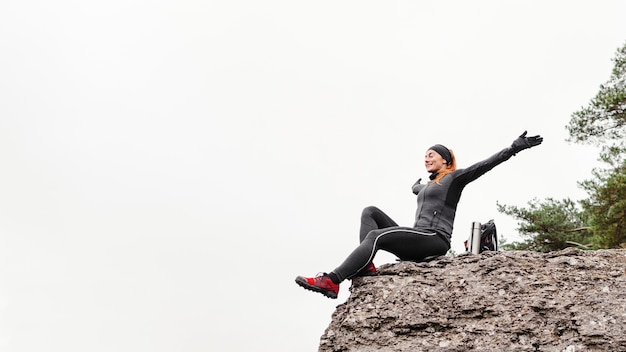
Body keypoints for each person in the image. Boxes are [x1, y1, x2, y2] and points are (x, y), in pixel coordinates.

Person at [295, 131, 543, 299]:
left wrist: (513, 149)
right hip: (416, 240)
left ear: (445, 160)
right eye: (424, 156)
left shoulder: (454, 178)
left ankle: (332, 280)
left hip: (433, 238)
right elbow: (419, 190)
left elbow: (484, 165)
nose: (426, 159)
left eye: (431, 155)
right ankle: (366, 265)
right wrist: (415, 187)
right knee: (370, 212)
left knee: (376, 236)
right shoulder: (427, 186)